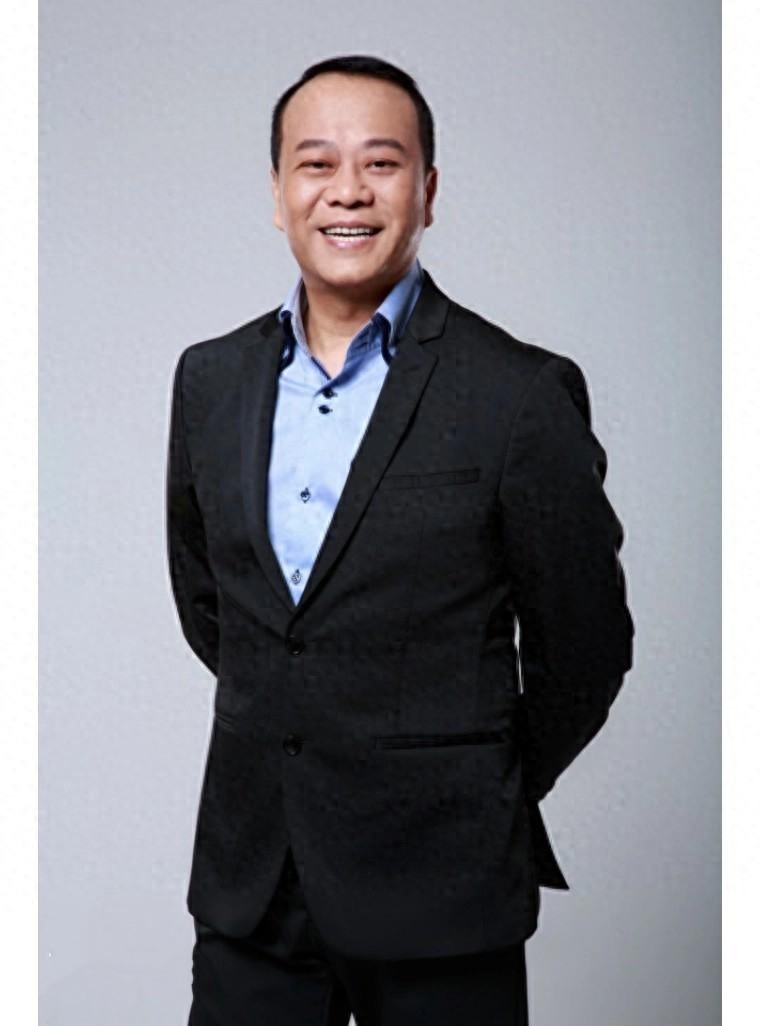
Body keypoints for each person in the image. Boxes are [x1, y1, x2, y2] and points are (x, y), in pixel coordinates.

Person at [166, 53, 635, 1026]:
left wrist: (467, 778)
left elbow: (584, 646)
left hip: (444, 887)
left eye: (381, 163)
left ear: (428, 191)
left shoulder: (518, 394)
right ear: (278, 192)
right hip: (255, 883)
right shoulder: (209, 380)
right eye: (316, 163)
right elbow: (218, 609)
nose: (347, 190)